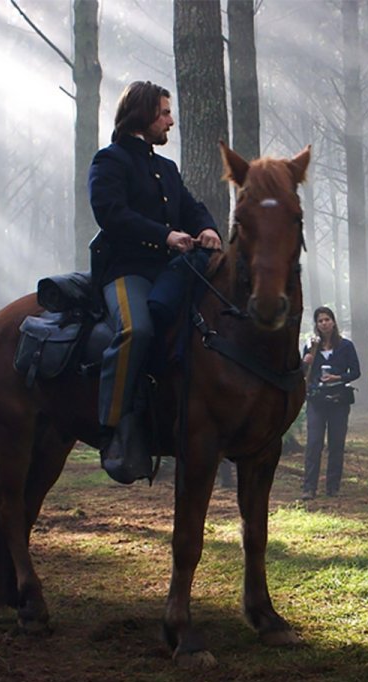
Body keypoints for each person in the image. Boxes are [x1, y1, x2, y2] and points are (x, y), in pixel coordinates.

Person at [89, 80, 221, 483]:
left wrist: (208, 228)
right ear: (144, 114)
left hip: (167, 272)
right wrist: (164, 235)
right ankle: (112, 429)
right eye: (164, 112)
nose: (170, 120)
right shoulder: (110, 160)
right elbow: (110, 214)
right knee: (137, 330)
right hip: (126, 271)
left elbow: (191, 206)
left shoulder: (166, 168)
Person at [301, 307, 361, 500]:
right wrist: (305, 362)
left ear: (333, 322)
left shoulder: (346, 346)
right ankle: (309, 487)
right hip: (316, 400)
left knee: (336, 444)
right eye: (320, 321)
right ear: (316, 324)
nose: (324, 323)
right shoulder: (311, 347)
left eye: (327, 319)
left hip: (339, 400)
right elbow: (303, 374)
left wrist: (339, 377)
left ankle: (333, 486)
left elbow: (356, 371)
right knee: (314, 443)